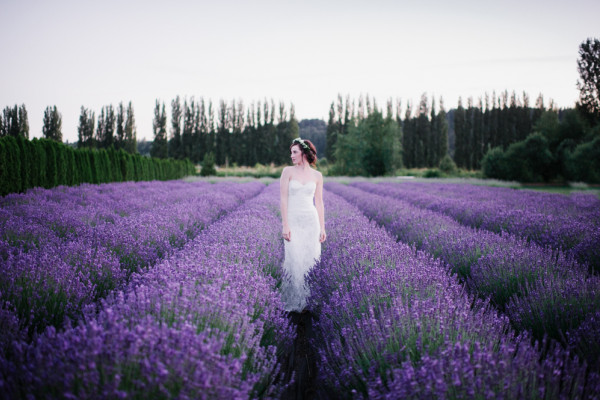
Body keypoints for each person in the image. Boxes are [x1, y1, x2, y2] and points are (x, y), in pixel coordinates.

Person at [280, 137, 326, 312]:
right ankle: (294, 302)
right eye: (291, 152)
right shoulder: (287, 172)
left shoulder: (317, 176)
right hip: (293, 220)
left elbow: (319, 203)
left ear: (304, 153)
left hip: (310, 222)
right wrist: (285, 225)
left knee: (310, 259)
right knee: (293, 259)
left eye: (294, 152)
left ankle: (309, 301)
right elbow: (283, 199)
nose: (291, 155)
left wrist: (322, 227)